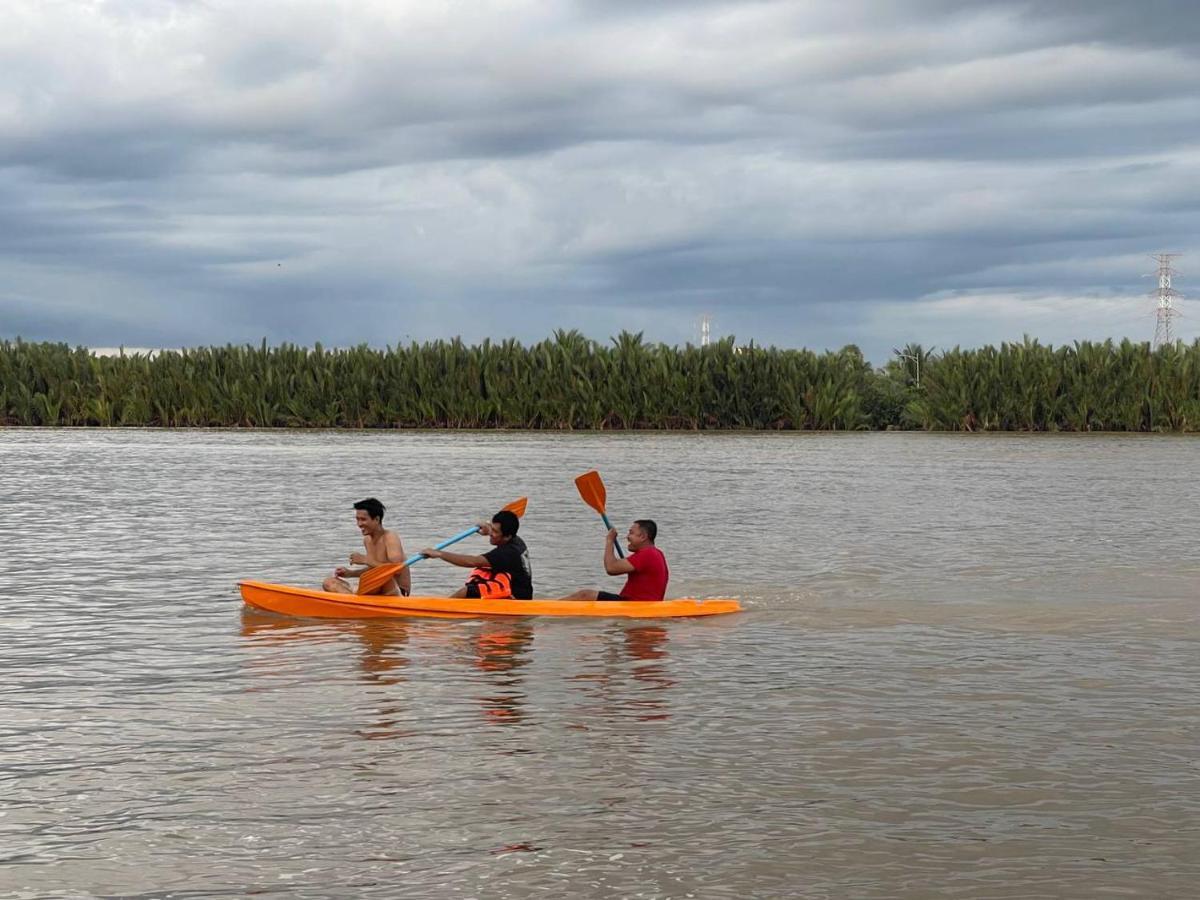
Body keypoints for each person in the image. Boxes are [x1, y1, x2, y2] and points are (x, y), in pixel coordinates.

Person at [420, 509, 533, 600]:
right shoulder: (516, 540)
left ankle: (442, 610)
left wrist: (439, 554)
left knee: (466, 591)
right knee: (479, 577)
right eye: (492, 529)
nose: (491, 534)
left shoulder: (507, 553)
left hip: (516, 598)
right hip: (518, 588)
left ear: (507, 536)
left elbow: (472, 562)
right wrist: (488, 529)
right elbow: (498, 532)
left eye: (495, 532)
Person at [323, 498, 411, 596]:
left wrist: (365, 560)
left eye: (363, 519)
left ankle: (354, 601)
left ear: (377, 519)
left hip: (396, 591)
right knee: (328, 582)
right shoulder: (367, 540)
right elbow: (373, 568)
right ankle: (353, 600)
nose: (359, 524)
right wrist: (350, 573)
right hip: (375, 588)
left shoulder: (390, 537)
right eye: (357, 519)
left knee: (378, 577)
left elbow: (397, 570)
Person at [565, 519, 669, 601]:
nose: (627, 537)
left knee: (585, 595)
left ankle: (550, 608)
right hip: (637, 603)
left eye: (631, 533)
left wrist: (610, 541)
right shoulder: (657, 553)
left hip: (634, 604)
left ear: (643, 537)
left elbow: (611, 568)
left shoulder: (647, 554)